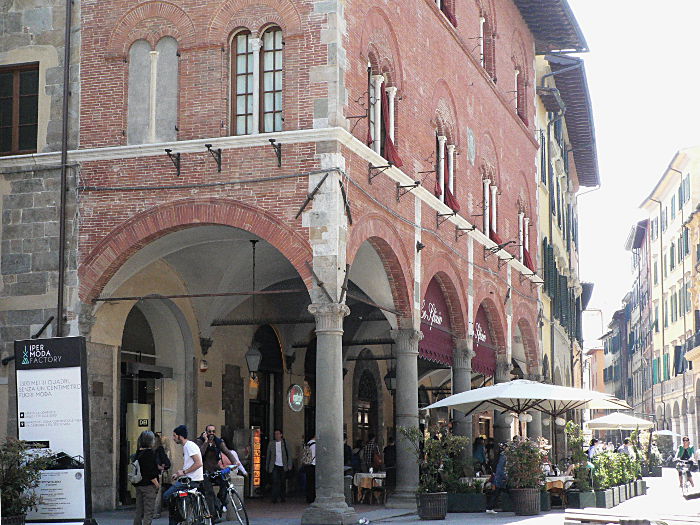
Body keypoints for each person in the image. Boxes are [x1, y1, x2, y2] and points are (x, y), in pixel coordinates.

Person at [197, 425, 248, 521]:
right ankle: (213, 516)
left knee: (225, 482)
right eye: (209, 431)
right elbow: (200, 454)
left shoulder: (218, 441)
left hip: (215, 469)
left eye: (213, 431)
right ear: (205, 432)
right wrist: (206, 442)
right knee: (209, 491)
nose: (211, 433)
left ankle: (220, 502)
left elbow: (228, 452)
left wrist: (235, 462)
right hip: (204, 471)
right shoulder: (200, 441)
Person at [162, 425, 204, 525]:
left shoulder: (189, 446)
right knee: (174, 497)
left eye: (174, 436)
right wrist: (178, 474)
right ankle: (180, 514)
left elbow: (198, 463)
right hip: (189, 479)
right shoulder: (188, 446)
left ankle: (177, 517)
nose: (173, 438)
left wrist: (184, 473)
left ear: (180, 436)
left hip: (191, 480)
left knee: (167, 496)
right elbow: (190, 465)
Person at [132, 430, 160, 525]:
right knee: (149, 511)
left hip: (139, 484)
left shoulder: (138, 452)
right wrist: (157, 484)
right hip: (148, 486)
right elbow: (150, 472)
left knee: (139, 511)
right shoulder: (149, 453)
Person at [265, 429, 292, 503]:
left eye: (277, 434)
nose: (276, 435)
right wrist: (267, 466)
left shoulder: (285, 443)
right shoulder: (271, 444)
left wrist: (289, 465)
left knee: (283, 482)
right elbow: (268, 456)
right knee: (275, 481)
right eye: (275, 434)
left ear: (281, 435)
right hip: (274, 465)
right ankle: (274, 498)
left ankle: (283, 497)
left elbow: (289, 455)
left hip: (283, 465)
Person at [152, 432, 171, 519]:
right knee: (156, 494)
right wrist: (161, 466)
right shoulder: (159, 449)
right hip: (155, 474)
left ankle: (150, 512)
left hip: (147, 475)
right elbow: (166, 462)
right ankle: (155, 512)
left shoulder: (145, 449)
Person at [485, 443, 508, 514]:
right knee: (497, 492)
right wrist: (504, 476)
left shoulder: (501, 455)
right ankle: (489, 507)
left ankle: (490, 507)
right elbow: (500, 468)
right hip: (500, 477)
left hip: (499, 477)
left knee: (497, 493)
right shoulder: (503, 456)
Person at [304, 435, 316, 503]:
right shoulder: (315, 445)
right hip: (314, 464)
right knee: (313, 483)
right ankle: (312, 497)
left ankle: (309, 497)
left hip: (308, 464)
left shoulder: (308, 443)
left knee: (309, 482)